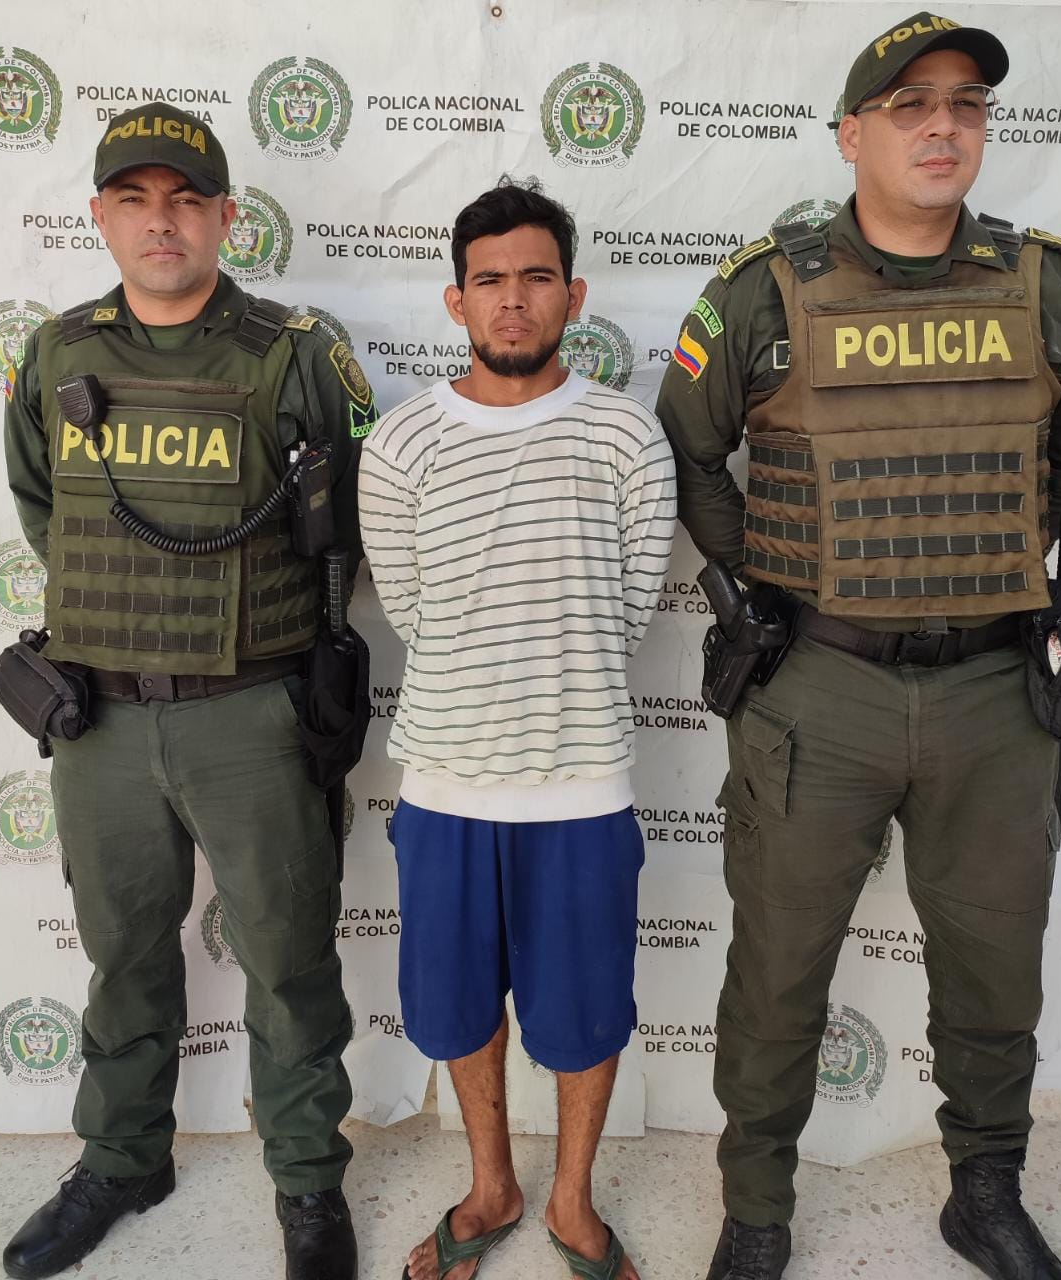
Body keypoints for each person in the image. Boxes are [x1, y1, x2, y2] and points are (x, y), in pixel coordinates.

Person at [656, 13, 1061, 1280]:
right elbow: (692, 449)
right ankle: (757, 1213)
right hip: (821, 687)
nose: (943, 126)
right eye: (912, 105)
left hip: (993, 694)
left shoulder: (1049, 285)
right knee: (777, 973)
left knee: (994, 968)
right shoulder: (763, 289)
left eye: (966, 104)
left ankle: (987, 1189)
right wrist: (758, 582)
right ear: (854, 133)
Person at [1, 102, 376, 1280]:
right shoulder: (58, 353)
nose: (159, 222)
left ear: (224, 215)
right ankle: (122, 1156)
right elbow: (41, 510)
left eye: (183, 200)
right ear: (100, 216)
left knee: (287, 956)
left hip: (250, 714)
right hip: (100, 718)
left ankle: (308, 1181)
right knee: (122, 953)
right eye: (133, 199)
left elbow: (347, 529)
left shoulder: (293, 352)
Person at [359, 178, 676, 1280]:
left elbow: (631, 606)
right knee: (453, 1013)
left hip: (582, 793)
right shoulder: (400, 445)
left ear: (573, 294)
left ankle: (574, 1203)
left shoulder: (629, 436)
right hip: (446, 792)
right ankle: (492, 1185)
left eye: (535, 276)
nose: (512, 299)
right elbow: (407, 607)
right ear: (456, 300)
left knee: (586, 1021)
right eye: (489, 279)